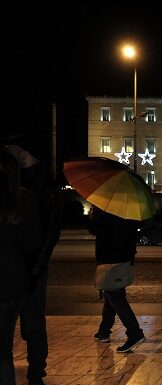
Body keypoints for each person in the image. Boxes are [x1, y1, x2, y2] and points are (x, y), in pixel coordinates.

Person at [7, 145, 61, 385]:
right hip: (18, 265)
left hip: (30, 267)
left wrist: (36, 268)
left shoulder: (43, 186)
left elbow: (50, 232)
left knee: (33, 324)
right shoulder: (16, 181)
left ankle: (36, 372)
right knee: (28, 322)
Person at [0, 147, 42, 385]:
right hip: (13, 284)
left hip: (11, 284)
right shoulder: (24, 199)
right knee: (3, 352)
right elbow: (34, 243)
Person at [88, 206, 146, 353]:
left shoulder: (106, 209)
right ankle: (103, 331)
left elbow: (94, 228)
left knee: (115, 296)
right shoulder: (129, 209)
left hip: (110, 259)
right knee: (111, 295)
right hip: (124, 258)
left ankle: (134, 333)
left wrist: (94, 213)